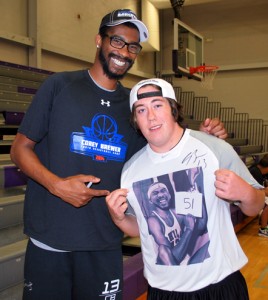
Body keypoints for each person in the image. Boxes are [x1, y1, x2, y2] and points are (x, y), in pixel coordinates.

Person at [10, 8, 227, 300]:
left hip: (104, 239)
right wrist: (57, 185)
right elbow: (19, 148)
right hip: (52, 238)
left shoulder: (134, 106)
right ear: (99, 40)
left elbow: (164, 150)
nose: (125, 52)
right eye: (117, 41)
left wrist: (204, 140)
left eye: (133, 46)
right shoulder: (59, 86)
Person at [105, 78, 265, 300]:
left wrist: (246, 193)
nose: (151, 116)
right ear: (135, 120)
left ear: (173, 108)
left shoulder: (214, 148)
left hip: (219, 287)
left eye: (158, 105)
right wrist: (119, 218)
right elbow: (138, 229)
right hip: (163, 291)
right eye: (141, 110)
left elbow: (255, 206)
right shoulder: (131, 169)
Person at [249, 154, 268, 237]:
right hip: (247, 196)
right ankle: (263, 229)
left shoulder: (257, 169)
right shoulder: (255, 172)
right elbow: (260, 191)